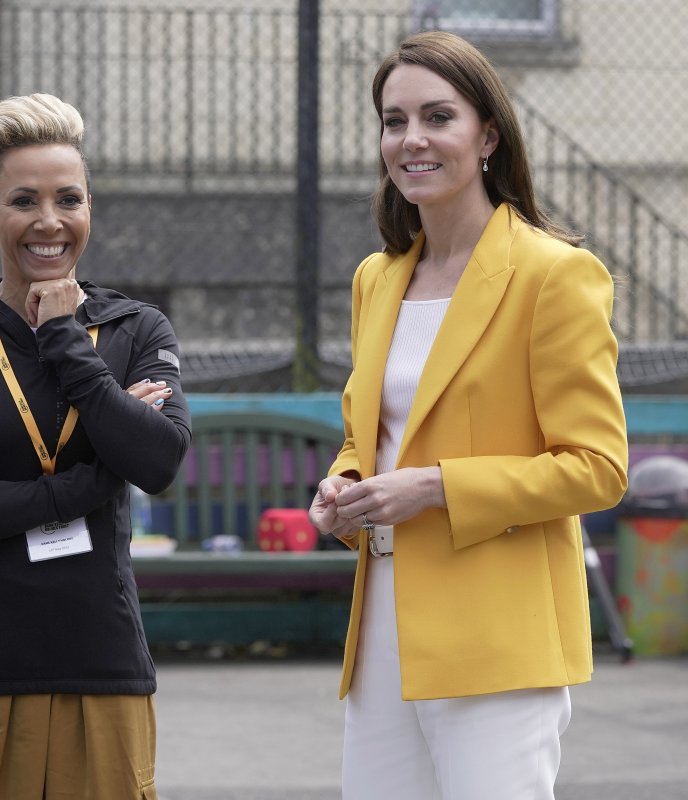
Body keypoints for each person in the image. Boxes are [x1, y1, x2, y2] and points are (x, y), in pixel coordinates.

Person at [307, 31, 628, 800]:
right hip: (383, 628)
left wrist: (434, 487)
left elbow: (597, 468)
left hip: (498, 636)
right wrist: (345, 483)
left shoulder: (555, 275)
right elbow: (370, 433)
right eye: (394, 121)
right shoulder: (378, 278)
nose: (411, 139)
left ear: (488, 135)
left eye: (437, 116)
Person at [0, 93, 191, 799]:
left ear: (90, 208)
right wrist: (86, 484)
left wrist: (66, 341)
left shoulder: (137, 329)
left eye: (69, 199)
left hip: (102, 660)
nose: (49, 221)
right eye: (24, 201)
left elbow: (158, 462)